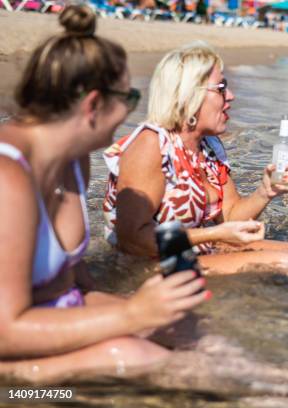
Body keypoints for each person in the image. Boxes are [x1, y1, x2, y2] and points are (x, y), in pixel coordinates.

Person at [0, 4, 208, 383]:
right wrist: (131, 317)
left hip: (54, 322)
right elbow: (4, 331)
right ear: (93, 104)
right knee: (128, 353)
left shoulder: (73, 161)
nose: (132, 110)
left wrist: (147, 314)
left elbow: (74, 286)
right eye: (128, 98)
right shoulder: (7, 179)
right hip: (13, 369)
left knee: (189, 335)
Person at [103, 42, 288, 292]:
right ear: (188, 94)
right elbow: (133, 240)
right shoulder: (150, 145)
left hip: (197, 250)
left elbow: (232, 215)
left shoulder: (209, 146)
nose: (232, 96)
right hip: (150, 266)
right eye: (222, 88)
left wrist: (264, 192)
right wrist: (212, 234)